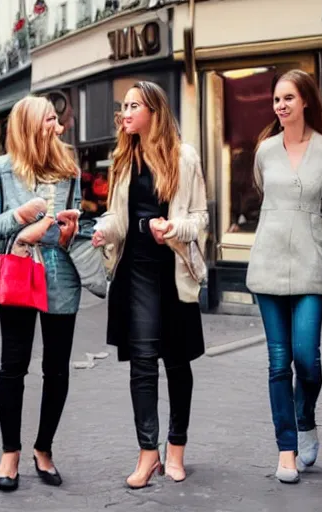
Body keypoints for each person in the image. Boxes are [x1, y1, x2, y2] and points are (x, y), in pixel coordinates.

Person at [246, 69, 322, 484]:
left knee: (307, 361)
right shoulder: (264, 151)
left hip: (310, 266)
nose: (280, 106)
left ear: (305, 102)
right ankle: (286, 450)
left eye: (288, 98)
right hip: (267, 264)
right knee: (279, 362)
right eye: (276, 99)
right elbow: (269, 199)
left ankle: (306, 417)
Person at [92, 81, 208, 489]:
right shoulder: (124, 159)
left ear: (154, 111)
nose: (124, 113)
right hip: (135, 272)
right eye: (123, 106)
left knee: (176, 362)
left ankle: (176, 448)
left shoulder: (184, 157)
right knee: (142, 365)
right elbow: (117, 219)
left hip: (172, 270)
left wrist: (173, 227)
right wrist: (101, 231)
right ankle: (148, 452)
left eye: (133, 106)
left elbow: (200, 218)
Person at [0, 96, 81, 492]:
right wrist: (19, 217)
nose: (57, 125)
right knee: (13, 365)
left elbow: (77, 213)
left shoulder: (69, 169)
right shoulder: (0, 171)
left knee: (57, 369)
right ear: (30, 125)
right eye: (49, 118)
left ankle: (43, 449)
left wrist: (72, 226)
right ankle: (9, 451)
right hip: (18, 271)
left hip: (60, 273)